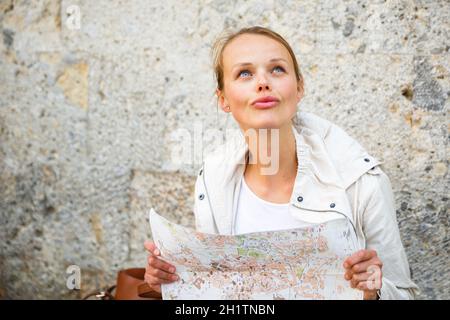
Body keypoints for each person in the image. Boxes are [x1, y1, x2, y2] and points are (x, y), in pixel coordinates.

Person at [144, 26, 419, 299]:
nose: (263, 82)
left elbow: (404, 294)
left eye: (277, 69)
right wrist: (174, 283)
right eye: (245, 73)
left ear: (299, 88)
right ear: (223, 99)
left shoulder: (361, 182)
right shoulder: (213, 181)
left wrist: (374, 292)